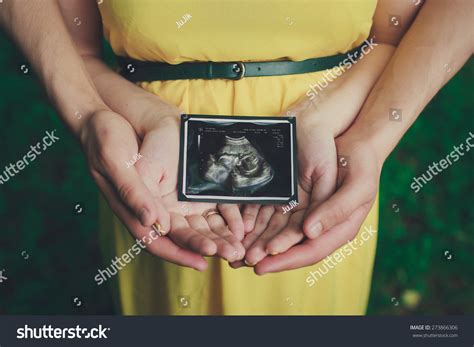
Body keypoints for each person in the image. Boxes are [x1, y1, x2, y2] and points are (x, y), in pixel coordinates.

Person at [1, 0, 471, 315]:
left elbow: (391, 37)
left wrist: (368, 139)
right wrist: (89, 118)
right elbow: (79, 52)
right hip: (154, 169)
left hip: (326, 157)